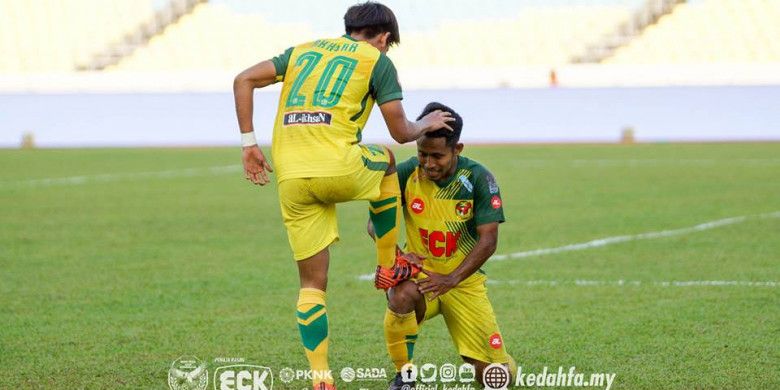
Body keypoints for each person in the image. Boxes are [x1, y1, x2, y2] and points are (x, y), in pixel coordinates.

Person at [232, 2, 454, 389]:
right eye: (388, 45)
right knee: (386, 160)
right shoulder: (377, 60)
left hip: (292, 177)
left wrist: (249, 143)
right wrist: (427, 124)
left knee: (312, 285)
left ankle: (321, 377)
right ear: (384, 38)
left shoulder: (302, 51)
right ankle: (387, 265)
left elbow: (243, 79)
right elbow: (402, 132)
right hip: (338, 166)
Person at [368, 102, 516, 389]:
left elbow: (488, 240)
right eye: (422, 153)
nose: (428, 163)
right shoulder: (405, 173)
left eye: (437, 156)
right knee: (400, 294)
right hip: (422, 279)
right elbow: (376, 224)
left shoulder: (478, 178)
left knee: (497, 379)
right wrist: (396, 256)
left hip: (463, 283)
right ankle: (404, 376)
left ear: (457, 149)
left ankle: (502, 361)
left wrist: (451, 279)